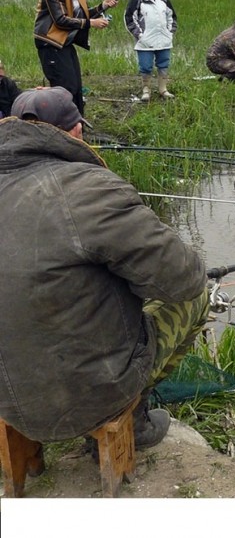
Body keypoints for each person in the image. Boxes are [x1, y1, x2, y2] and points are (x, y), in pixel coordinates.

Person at [0, 87, 210, 450]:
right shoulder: (89, 189)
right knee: (195, 297)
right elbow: (183, 276)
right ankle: (135, 415)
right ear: (77, 131)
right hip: (89, 397)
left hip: (6, 397)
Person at [33, 0, 119, 117]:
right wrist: (91, 23)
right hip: (49, 43)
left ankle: (77, 126)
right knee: (64, 89)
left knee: (76, 87)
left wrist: (103, 6)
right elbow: (61, 20)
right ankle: (63, 128)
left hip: (65, 42)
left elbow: (82, 15)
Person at [124, 0, 178, 101]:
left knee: (163, 64)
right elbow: (129, 19)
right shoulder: (136, 0)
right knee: (146, 66)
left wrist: (169, 32)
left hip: (164, 40)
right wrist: (139, 35)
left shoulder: (163, 0)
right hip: (144, 42)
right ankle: (146, 90)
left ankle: (163, 89)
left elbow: (172, 16)